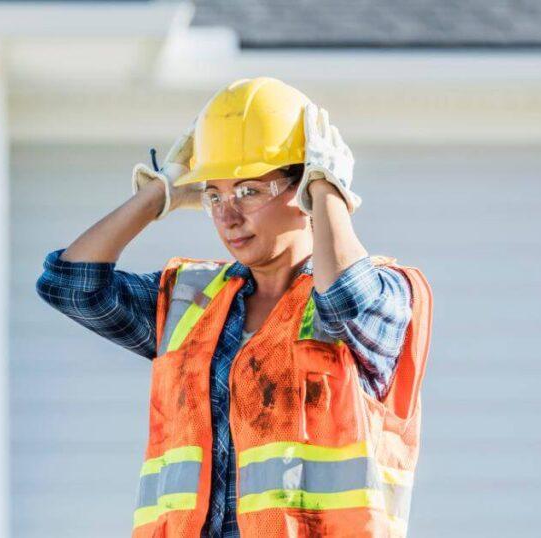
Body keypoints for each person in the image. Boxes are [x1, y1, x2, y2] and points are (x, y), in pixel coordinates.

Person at [35, 77, 433, 537]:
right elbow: (69, 284)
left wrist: (328, 191)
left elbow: (344, 298)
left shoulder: (389, 295)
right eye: (214, 195)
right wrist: (157, 194)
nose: (228, 216)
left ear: (303, 187)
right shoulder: (192, 301)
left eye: (249, 191)